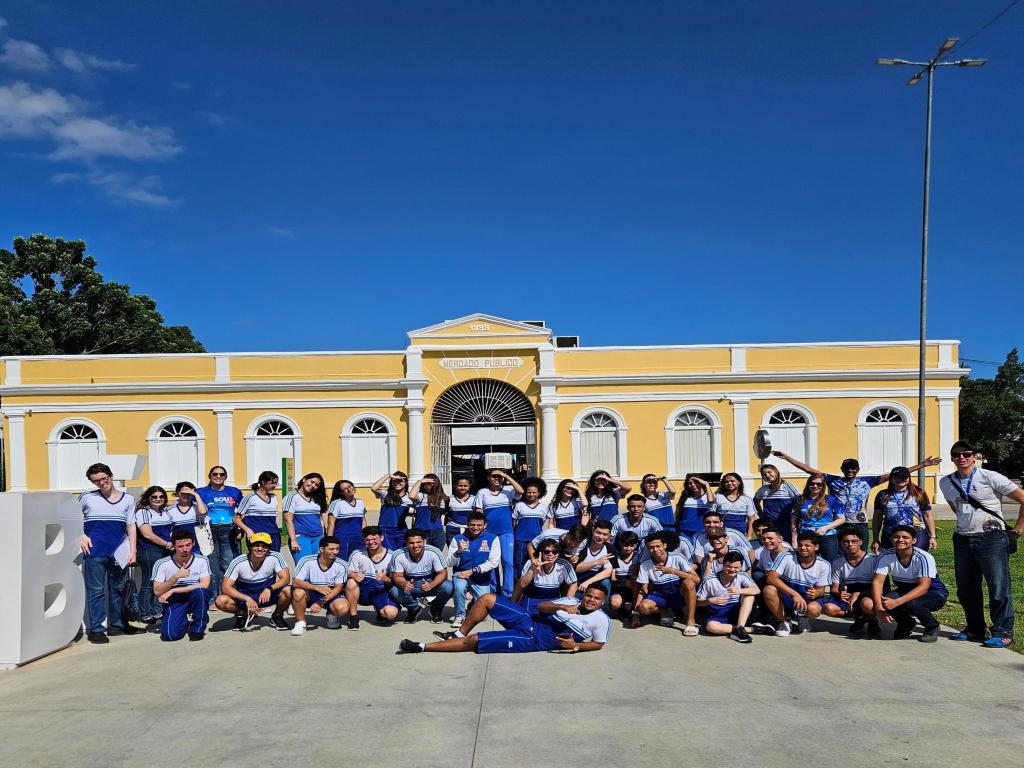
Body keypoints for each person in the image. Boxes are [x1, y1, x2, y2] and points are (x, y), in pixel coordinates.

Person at [938, 440, 1024, 648]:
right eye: (956, 454)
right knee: (966, 588)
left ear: (975, 456)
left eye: (966, 454)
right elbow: (956, 507)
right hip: (962, 538)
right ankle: (975, 628)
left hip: (991, 538)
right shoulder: (946, 482)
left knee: (998, 586)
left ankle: (1003, 631)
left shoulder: (990, 476)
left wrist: (1018, 529)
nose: (961, 458)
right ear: (952, 458)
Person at [772, 449, 939, 551]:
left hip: (860, 523)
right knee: (840, 553)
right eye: (847, 468)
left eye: (853, 468)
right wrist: (787, 458)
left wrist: (922, 465)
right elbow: (809, 470)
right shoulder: (833, 480)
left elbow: (895, 474)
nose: (850, 470)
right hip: (839, 523)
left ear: (858, 469)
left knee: (861, 552)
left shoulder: (867, 481)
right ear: (842, 469)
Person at [398, 585, 611, 655]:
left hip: (532, 640)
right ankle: (458, 633)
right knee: (487, 598)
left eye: (596, 599)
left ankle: (421, 646)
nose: (591, 600)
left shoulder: (601, 620)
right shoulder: (571, 600)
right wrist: (561, 606)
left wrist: (576, 646)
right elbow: (542, 607)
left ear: (602, 602)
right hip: (530, 621)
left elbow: (598, 643)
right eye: (589, 596)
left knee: (476, 640)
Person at [79, 462, 139, 644]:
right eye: (96, 481)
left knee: (118, 588)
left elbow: (131, 525)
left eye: (104, 478)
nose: (101, 482)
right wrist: (81, 535)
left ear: (111, 476)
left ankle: (117, 624)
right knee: (96, 591)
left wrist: (133, 550)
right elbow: (72, 518)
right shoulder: (86, 497)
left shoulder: (128, 499)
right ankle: (97, 629)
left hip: (119, 551)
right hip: (94, 550)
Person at [872, 525, 949, 642]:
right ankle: (906, 623)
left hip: (934, 592)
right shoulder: (885, 555)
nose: (900, 540)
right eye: (896, 537)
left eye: (905, 537)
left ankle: (932, 626)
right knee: (886, 600)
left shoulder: (924, 557)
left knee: (911, 604)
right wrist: (879, 608)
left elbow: (924, 587)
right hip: (905, 590)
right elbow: (877, 582)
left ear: (914, 540)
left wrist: (897, 602)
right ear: (891, 539)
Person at [215, 532, 292, 631]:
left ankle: (277, 616)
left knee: (289, 590)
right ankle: (242, 614)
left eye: (264, 546)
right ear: (250, 546)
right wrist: (246, 599)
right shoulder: (238, 562)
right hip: (245, 596)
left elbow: (285, 578)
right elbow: (225, 587)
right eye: (256, 545)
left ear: (269, 548)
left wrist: (269, 588)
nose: (260, 549)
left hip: (267, 595)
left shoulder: (275, 557)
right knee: (220, 601)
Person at [761, 531, 831, 637]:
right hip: (787, 595)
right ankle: (784, 621)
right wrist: (795, 594)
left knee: (814, 609)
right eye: (800, 545)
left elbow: (821, 591)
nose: (802, 548)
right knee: (769, 590)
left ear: (816, 547)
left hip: (806, 598)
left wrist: (816, 593)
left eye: (807, 545)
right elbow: (771, 578)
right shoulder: (785, 556)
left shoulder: (824, 565)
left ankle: (803, 617)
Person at [630, 532, 699, 636]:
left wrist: (674, 571)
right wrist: (636, 614)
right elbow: (643, 590)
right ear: (647, 549)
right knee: (643, 607)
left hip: (678, 593)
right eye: (651, 547)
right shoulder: (645, 565)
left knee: (689, 583)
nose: (655, 550)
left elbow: (697, 579)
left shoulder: (677, 557)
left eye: (658, 546)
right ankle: (665, 611)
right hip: (660, 594)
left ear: (665, 546)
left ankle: (690, 621)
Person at [195, 466, 244, 603]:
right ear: (210, 476)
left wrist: (241, 529)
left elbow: (243, 510)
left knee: (228, 564)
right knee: (211, 565)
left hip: (230, 530)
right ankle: (212, 597)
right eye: (215, 474)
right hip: (209, 530)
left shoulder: (234, 491)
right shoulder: (201, 492)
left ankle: (225, 595)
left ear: (226, 476)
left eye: (221, 474)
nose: (218, 476)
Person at [151, 529, 211, 642]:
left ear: (193, 543)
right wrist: (176, 577)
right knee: (169, 636)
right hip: (175, 600)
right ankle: (182, 621)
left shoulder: (202, 560)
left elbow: (204, 584)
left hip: (193, 596)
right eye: (180, 546)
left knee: (201, 592)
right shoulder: (162, 564)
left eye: (188, 545)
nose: (185, 549)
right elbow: (157, 591)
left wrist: (174, 590)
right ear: (174, 546)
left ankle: (197, 628)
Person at [474, 469, 525, 597]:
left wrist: (506, 476)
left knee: (508, 562)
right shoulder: (482, 492)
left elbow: (521, 491)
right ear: (488, 478)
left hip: (506, 532)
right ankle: (494, 591)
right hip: (489, 533)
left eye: (499, 476)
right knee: (492, 562)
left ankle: (508, 593)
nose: (497, 478)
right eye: (494, 476)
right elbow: (479, 512)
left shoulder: (508, 490)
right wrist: (479, 529)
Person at [823, 524, 880, 635]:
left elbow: (883, 588)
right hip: (849, 597)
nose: (850, 544)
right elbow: (834, 589)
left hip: (869, 595)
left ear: (861, 542)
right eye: (846, 542)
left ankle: (872, 620)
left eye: (854, 541)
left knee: (867, 604)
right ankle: (860, 617)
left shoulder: (873, 560)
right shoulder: (837, 563)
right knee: (828, 608)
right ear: (841, 543)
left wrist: (858, 594)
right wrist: (840, 594)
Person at [446, 511, 500, 627]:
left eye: (479, 525)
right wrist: (458, 551)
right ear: (467, 524)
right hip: (461, 573)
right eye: (472, 525)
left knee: (482, 614)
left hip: (481, 577)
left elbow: (494, 562)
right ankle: (459, 615)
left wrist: (473, 571)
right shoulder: (458, 538)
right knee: (459, 587)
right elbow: (449, 563)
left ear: (485, 525)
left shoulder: (493, 538)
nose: (475, 528)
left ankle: (472, 606)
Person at [289, 535, 350, 636]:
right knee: (298, 592)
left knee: (343, 608)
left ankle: (331, 615)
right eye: (331, 549)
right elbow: (295, 582)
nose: (335, 552)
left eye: (337, 549)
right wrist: (316, 587)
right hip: (311, 592)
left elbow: (338, 588)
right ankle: (300, 622)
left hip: (330, 593)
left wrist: (321, 602)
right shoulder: (307, 561)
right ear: (321, 549)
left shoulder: (342, 564)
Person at [388, 529, 452, 624]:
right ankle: (414, 608)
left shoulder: (434, 551)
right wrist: (404, 583)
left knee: (448, 586)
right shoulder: (398, 554)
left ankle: (436, 609)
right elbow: (397, 576)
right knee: (394, 591)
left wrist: (432, 584)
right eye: (411, 543)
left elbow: (443, 573)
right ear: (406, 543)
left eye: (419, 542)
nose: (415, 545)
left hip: (430, 581)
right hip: (411, 584)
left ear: (424, 541)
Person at [697, 551, 759, 643]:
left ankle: (739, 628)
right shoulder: (709, 579)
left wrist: (740, 590)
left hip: (738, 613)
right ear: (723, 565)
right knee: (711, 627)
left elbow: (757, 590)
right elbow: (697, 602)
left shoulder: (742, 575)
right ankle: (751, 629)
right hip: (718, 614)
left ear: (741, 567)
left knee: (749, 595)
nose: (732, 570)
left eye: (736, 567)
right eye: (729, 566)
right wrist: (709, 600)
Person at [343, 526, 399, 628]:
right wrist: (353, 574)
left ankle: (381, 610)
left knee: (390, 613)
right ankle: (353, 616)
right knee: (351, 582)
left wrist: (385, 579)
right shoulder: (357, 554)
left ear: (381, 538)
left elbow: (397, 581)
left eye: (374, 539)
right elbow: (345, 572)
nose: (371, 542)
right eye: (367, 540)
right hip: (363, 591)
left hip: (381, 591)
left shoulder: (392, 556)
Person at [872, 466, 936, 552]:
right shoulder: (882, 495)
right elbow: (877, 518)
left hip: (917, 532)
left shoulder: (919, 493)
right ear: (891, 479)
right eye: (897, 477)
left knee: (916, 557)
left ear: (909, 478)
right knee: (893, 559)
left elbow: (927, 515)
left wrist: (932, 536)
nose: (901, 479)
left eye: (904, 477)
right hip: (891, 533)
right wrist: (875, 538)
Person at [135, 485, 174, 624]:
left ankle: (157, 610)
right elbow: (147, 534)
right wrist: (166, 544)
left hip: (164, 550)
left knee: (160, 581)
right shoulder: (144, 512)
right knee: (149, 582)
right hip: (149, 550)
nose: (158, 499)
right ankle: (144, 612)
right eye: (154, 497)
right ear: (148, 498)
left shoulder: (164, 512)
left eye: (161, 496)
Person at [512, 539, 578, 615]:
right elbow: (521, 584)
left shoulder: (564, 564)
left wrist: (567, 602)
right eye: (547, 552)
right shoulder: (531, 563)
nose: (551, 554)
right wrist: (533, 570)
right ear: (541, 552)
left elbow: (573, 583)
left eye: (555, 552)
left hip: (553, 603)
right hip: (531, 602)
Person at [792, 474, 846, 563]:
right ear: (808, 484)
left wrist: (826, 528)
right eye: (812, 483)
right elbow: (794, 520)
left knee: (830, 563)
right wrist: (794, 539)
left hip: (828, 536)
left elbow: (841, 519)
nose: (815, 486)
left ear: (823, 486)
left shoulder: (831, 499)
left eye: (819, 484)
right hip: (806, 537)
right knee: (807, 562)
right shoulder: (800, 500)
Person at [283, 472, 328, 563]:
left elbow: (319, 518)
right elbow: (288, 519)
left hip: (318, 537)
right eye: (312, 482)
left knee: (317, 566)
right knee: (304, 566)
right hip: (301, 537)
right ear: (304, 480)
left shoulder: (316, 498)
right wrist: (293, 540)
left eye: (316, 485)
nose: (313, 486)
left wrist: (323, 536)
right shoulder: (291, 497)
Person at [234, 471, 282, 551]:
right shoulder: (250, 497)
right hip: (256, 535)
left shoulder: (274, 497)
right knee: (258, 558)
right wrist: (246, 530)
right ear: (263, 482)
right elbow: (236, 518)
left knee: (274, 558)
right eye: (272, 483)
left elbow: (272, 519)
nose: (275, 486)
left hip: (273, 535)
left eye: (276, 483)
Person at [512, 477, 550, 577]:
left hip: (536, 540)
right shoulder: (519, 505)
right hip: (520, 539)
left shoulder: (543, 508)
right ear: (525, 493)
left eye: (534, 492)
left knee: (535, 563)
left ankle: (533, 583)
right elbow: (514, 522)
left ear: (539, 493)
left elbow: (542, 523)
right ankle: (518, 583)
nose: (531, 494)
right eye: (529, 492)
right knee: (519, 563)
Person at [753, 464, 800, 543]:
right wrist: (761, 515)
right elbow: (755, 501)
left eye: (769, 472)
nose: (767, 475)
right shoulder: (763, 489)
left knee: (786, 546)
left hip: (786, 525)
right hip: (770, 525)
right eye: (764, 474)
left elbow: (799, 501)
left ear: (776, 472)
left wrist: (795, 518)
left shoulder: (787, 486)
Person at [370, 471, 412, 550]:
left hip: (402, 530)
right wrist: (389, 475)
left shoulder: (409, 497)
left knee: (402, 553)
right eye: (394, 481)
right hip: (385, 529)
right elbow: (374, 488)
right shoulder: (385, 494)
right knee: (391, 552)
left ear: (406, 482)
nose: (397, 483)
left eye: (400, 481)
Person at [326, 479, 365, 560]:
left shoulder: (360, 502)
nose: (349, 489)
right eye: (345, 489)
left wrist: (365, 535)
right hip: (342, 539)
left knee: (360, 560)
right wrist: (330, 541)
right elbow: (331, 523)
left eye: (350, 486)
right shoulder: (337, 503)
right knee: (343, 561)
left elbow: (363, 520)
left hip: (358, 538)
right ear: (341, 493)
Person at [407, 473, 448, 552]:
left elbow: (443, 514)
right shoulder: (421, 496)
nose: (428, 486)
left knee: (436, 556)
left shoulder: (443, 498)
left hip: (438, 533)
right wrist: (419, 481)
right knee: (421, 556)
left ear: (436, 484)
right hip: (421, 532)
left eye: (430, 484)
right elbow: (411, 495)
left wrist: (442, 526)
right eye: (426, 484)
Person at [574, 520, 616, 596]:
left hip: (593, 582)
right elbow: (575, 568)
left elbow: (608, 571)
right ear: (593, 530)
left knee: (606, 582)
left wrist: (588, 582)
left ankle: (603, 604)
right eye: (598, 533)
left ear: (609, 535)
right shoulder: (583, 544)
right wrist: (597, 562)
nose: (600, 537)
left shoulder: (610, 549)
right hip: (576, 580)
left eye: (605, 534)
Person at [714, 472, 757, 539]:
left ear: (739, 482)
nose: (729, 483)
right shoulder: (717, 497)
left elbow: (751, 519)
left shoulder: (747, 499)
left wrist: (749, 535)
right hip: (722, 533)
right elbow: (712, 516)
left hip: (741, 533)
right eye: (726, 482)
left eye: (732, 481)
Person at [608, 531, 641, 615]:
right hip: (618, 588)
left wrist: (637, 570)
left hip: (635, 589)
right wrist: (623, 582)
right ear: (620, 543)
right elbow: (612, 578)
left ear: (636, 545)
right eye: (626, 545)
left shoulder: (639, 557)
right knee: (615, 604)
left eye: (632, 545)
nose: (628, 548)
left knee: (635, 581)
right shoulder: (614, 557)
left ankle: (634, 610)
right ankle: (621, 606)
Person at [675, 474, 714, 540]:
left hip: (702, 532)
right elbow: (679, 513)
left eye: (696, 482)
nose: (693, 485)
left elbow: (711, 500)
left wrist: (706, 484)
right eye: (690, 483)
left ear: (701, 482)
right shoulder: (686, 497)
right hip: (684, 531)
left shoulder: (709, 496)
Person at [445, 477, 476, 544]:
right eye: (460, 485)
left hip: (470, 530)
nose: (463, 488)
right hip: (452, 530)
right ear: (455, 486)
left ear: (469, 487)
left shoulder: (475, 499)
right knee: (453, 550)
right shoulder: (449, 499)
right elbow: (444, 514)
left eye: (465, 486)